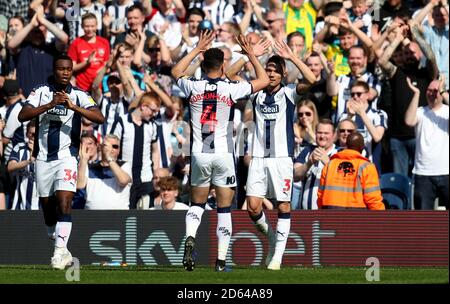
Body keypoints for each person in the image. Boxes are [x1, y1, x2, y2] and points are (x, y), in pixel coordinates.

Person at [171, 31, 269, 272]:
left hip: (199, 153)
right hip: (224, 154)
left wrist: (196, 49)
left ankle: (190, 237)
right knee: (224, 208)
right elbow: (264, 80)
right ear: (223, 65)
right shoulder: (230, 89)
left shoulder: (193, 86)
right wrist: (250, 56)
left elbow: (175, 71)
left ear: (203, 65)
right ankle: (221, 261)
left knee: (196, 204)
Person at [17, 54, 105, 270]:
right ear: (54, 70)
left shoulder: (79, 94)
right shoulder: (41, 92)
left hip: (67, 157)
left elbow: (99, 117)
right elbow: (23, 115)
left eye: (69, 69)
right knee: (48, 209)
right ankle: (56, 238)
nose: (65, 72)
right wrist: (50, 105)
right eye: (61, 69)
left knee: (65, 202)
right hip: (44, 158)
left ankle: (58, 254)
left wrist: (75, 108)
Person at [244, 40, 315, 270]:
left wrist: (293, 58)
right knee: (253, 207)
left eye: (275, 71)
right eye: (268, 70)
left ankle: (277, 257)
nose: (271, 74)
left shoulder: (289, 93)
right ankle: (273, 238)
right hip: (259, 158)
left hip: (282, 159)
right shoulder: (255, 94)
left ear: (283, 73)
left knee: (283, 205)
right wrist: (249, 55)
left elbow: (312, 80)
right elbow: (229, 77)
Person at [110, 92, 161, 209]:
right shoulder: (122, 121)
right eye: (152, 111)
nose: (154, 115)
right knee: (127, 213)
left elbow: (155, 151)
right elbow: (111, 146)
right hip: (126, 178)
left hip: (146, 178)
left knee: (146, 214)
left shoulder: (152, 126)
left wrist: (156, 171)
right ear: (143, 106)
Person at [405, 77, 449, 210]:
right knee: (423, 220)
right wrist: (416, 94)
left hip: (446, 172)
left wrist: (443, 92)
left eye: (436, 91)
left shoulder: (447, 111)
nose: (432, 93)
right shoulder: (420, 111)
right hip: (423, 174)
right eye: (429, 90)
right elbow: (409, 121)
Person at [317, 132, 385, 210]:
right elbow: (373, 199)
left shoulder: (330, 165)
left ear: (346, 145)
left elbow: (320, 196)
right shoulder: (367, 167)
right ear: (362, 148)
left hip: (330, 215)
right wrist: (381, 218)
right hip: (356, 218)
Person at [77, 134, 132, 210]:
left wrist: (109, 158)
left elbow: (123, 181)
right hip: (92, 218)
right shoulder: (90, 166)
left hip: (118, 218)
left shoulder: (124, 165)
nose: (111, 149)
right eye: (107, 146)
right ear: (101, 147)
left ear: (119, 150)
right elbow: (79, 185)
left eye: (115, 146)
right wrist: (84, 160)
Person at [294, 119, 338, 210]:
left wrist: (328, 163)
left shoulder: (340, 153)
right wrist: (309, 163)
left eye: (326, 133)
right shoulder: (307, 150)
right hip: (306, 214)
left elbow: (344, 179)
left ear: (333, 135)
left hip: (330, 213)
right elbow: (295, 175)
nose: (322, 136)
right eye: (319, 132)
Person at [7, 120, 38, 210]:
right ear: (27, 134)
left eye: (36, 134)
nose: (33, 137)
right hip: (19, 204)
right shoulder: (19, 147)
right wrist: (28, 161)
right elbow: (10, 167)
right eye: (31, 134)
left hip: (39, 205)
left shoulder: (46, 151)